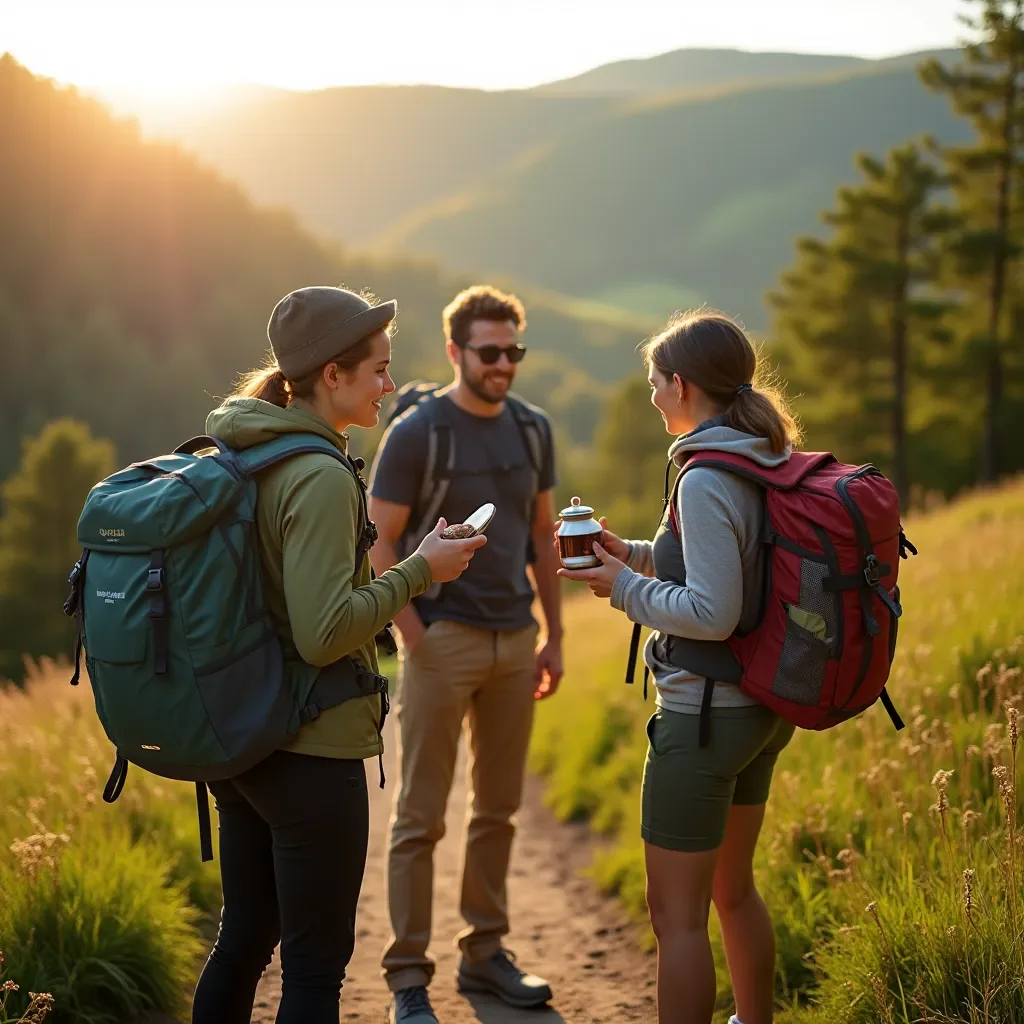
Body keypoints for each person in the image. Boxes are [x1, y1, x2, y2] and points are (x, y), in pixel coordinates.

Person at [191, 286, 486, 1024]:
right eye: (379, 370)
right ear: (332, 375)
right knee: (316, 970)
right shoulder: (319, 476)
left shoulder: (251, 446)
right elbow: (324, 632)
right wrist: (420, 570)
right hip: (308, 747)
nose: (390, 385)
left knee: (244, 938)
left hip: (243, 735)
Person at [559, 309, 801, 1024]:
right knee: (733, 891)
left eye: (656, 382)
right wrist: (625, 550)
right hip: (761, 705)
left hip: (703, 718)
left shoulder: (702, 477)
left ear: (683, 384)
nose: (653, 395)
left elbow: (713, 610)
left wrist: (620, 590)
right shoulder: (761, 453)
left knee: (678, 918)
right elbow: (725, 565)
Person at [369, 285, 563, 1024]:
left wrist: (555, 637)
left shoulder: (534, 430)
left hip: (516, 641)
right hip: (440, 639)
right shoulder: (419, 433)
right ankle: (408, 980)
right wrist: (415, 638)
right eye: (489, 352)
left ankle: (485, 956)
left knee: (500, 810)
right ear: (456, 352)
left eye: (514, 351)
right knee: (420, 817)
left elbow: (544, 538)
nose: (504, 365)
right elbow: (378, 537)